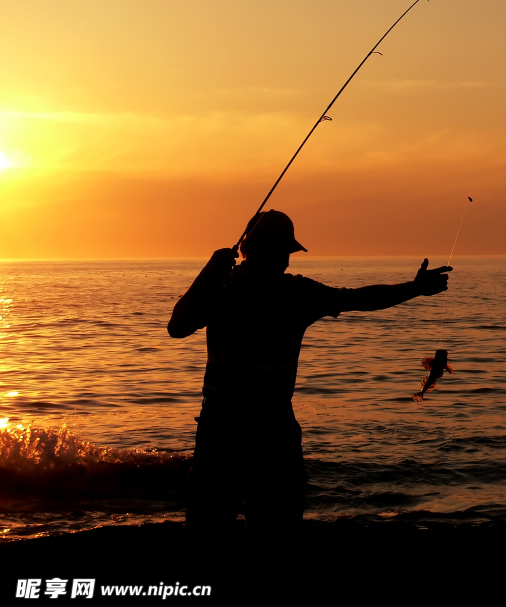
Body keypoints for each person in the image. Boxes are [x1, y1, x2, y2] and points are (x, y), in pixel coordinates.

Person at [167, 209, 451, 538]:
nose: (285, 260)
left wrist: (414, 288)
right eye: (281, 251)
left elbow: (359, 299)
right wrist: (208, 274)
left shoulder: (238, 289)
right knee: (251, 534)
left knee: (225, 532)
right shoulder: (235, 289)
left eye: (285, 253)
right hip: (251, 431)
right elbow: (178, 327)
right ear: (255, 249)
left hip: (238, 429)